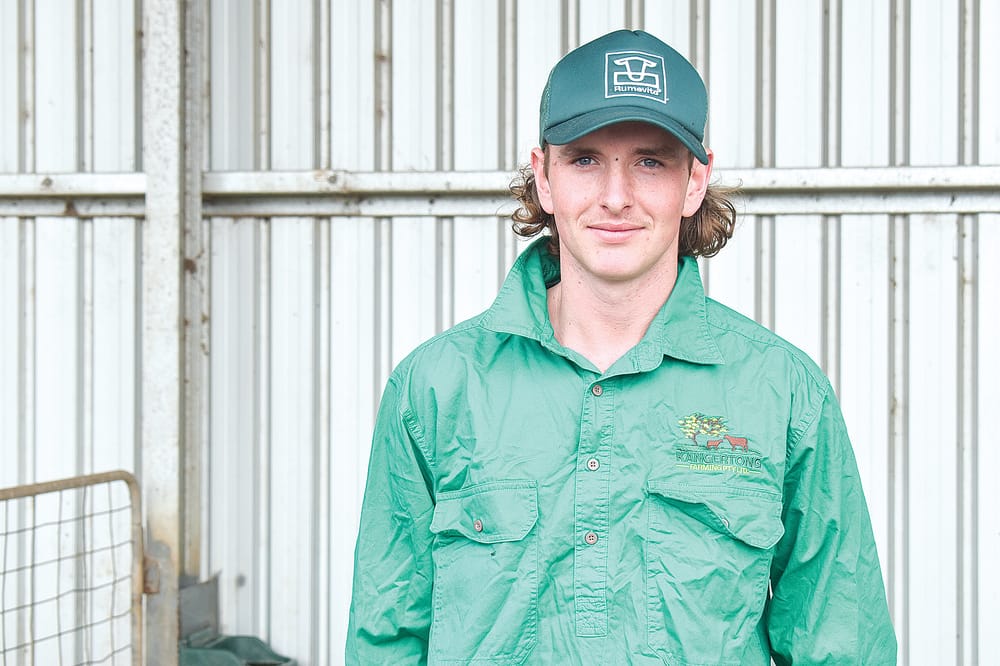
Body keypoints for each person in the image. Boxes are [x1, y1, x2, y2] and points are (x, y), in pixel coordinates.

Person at [346, 29, 896, 665]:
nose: (615, 196)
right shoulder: (436, 387)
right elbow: (385, 639)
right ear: (543, 177)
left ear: (695, 181)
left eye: (651, 161)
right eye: (584, 159)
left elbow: (843, 642)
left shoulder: (781, 390)